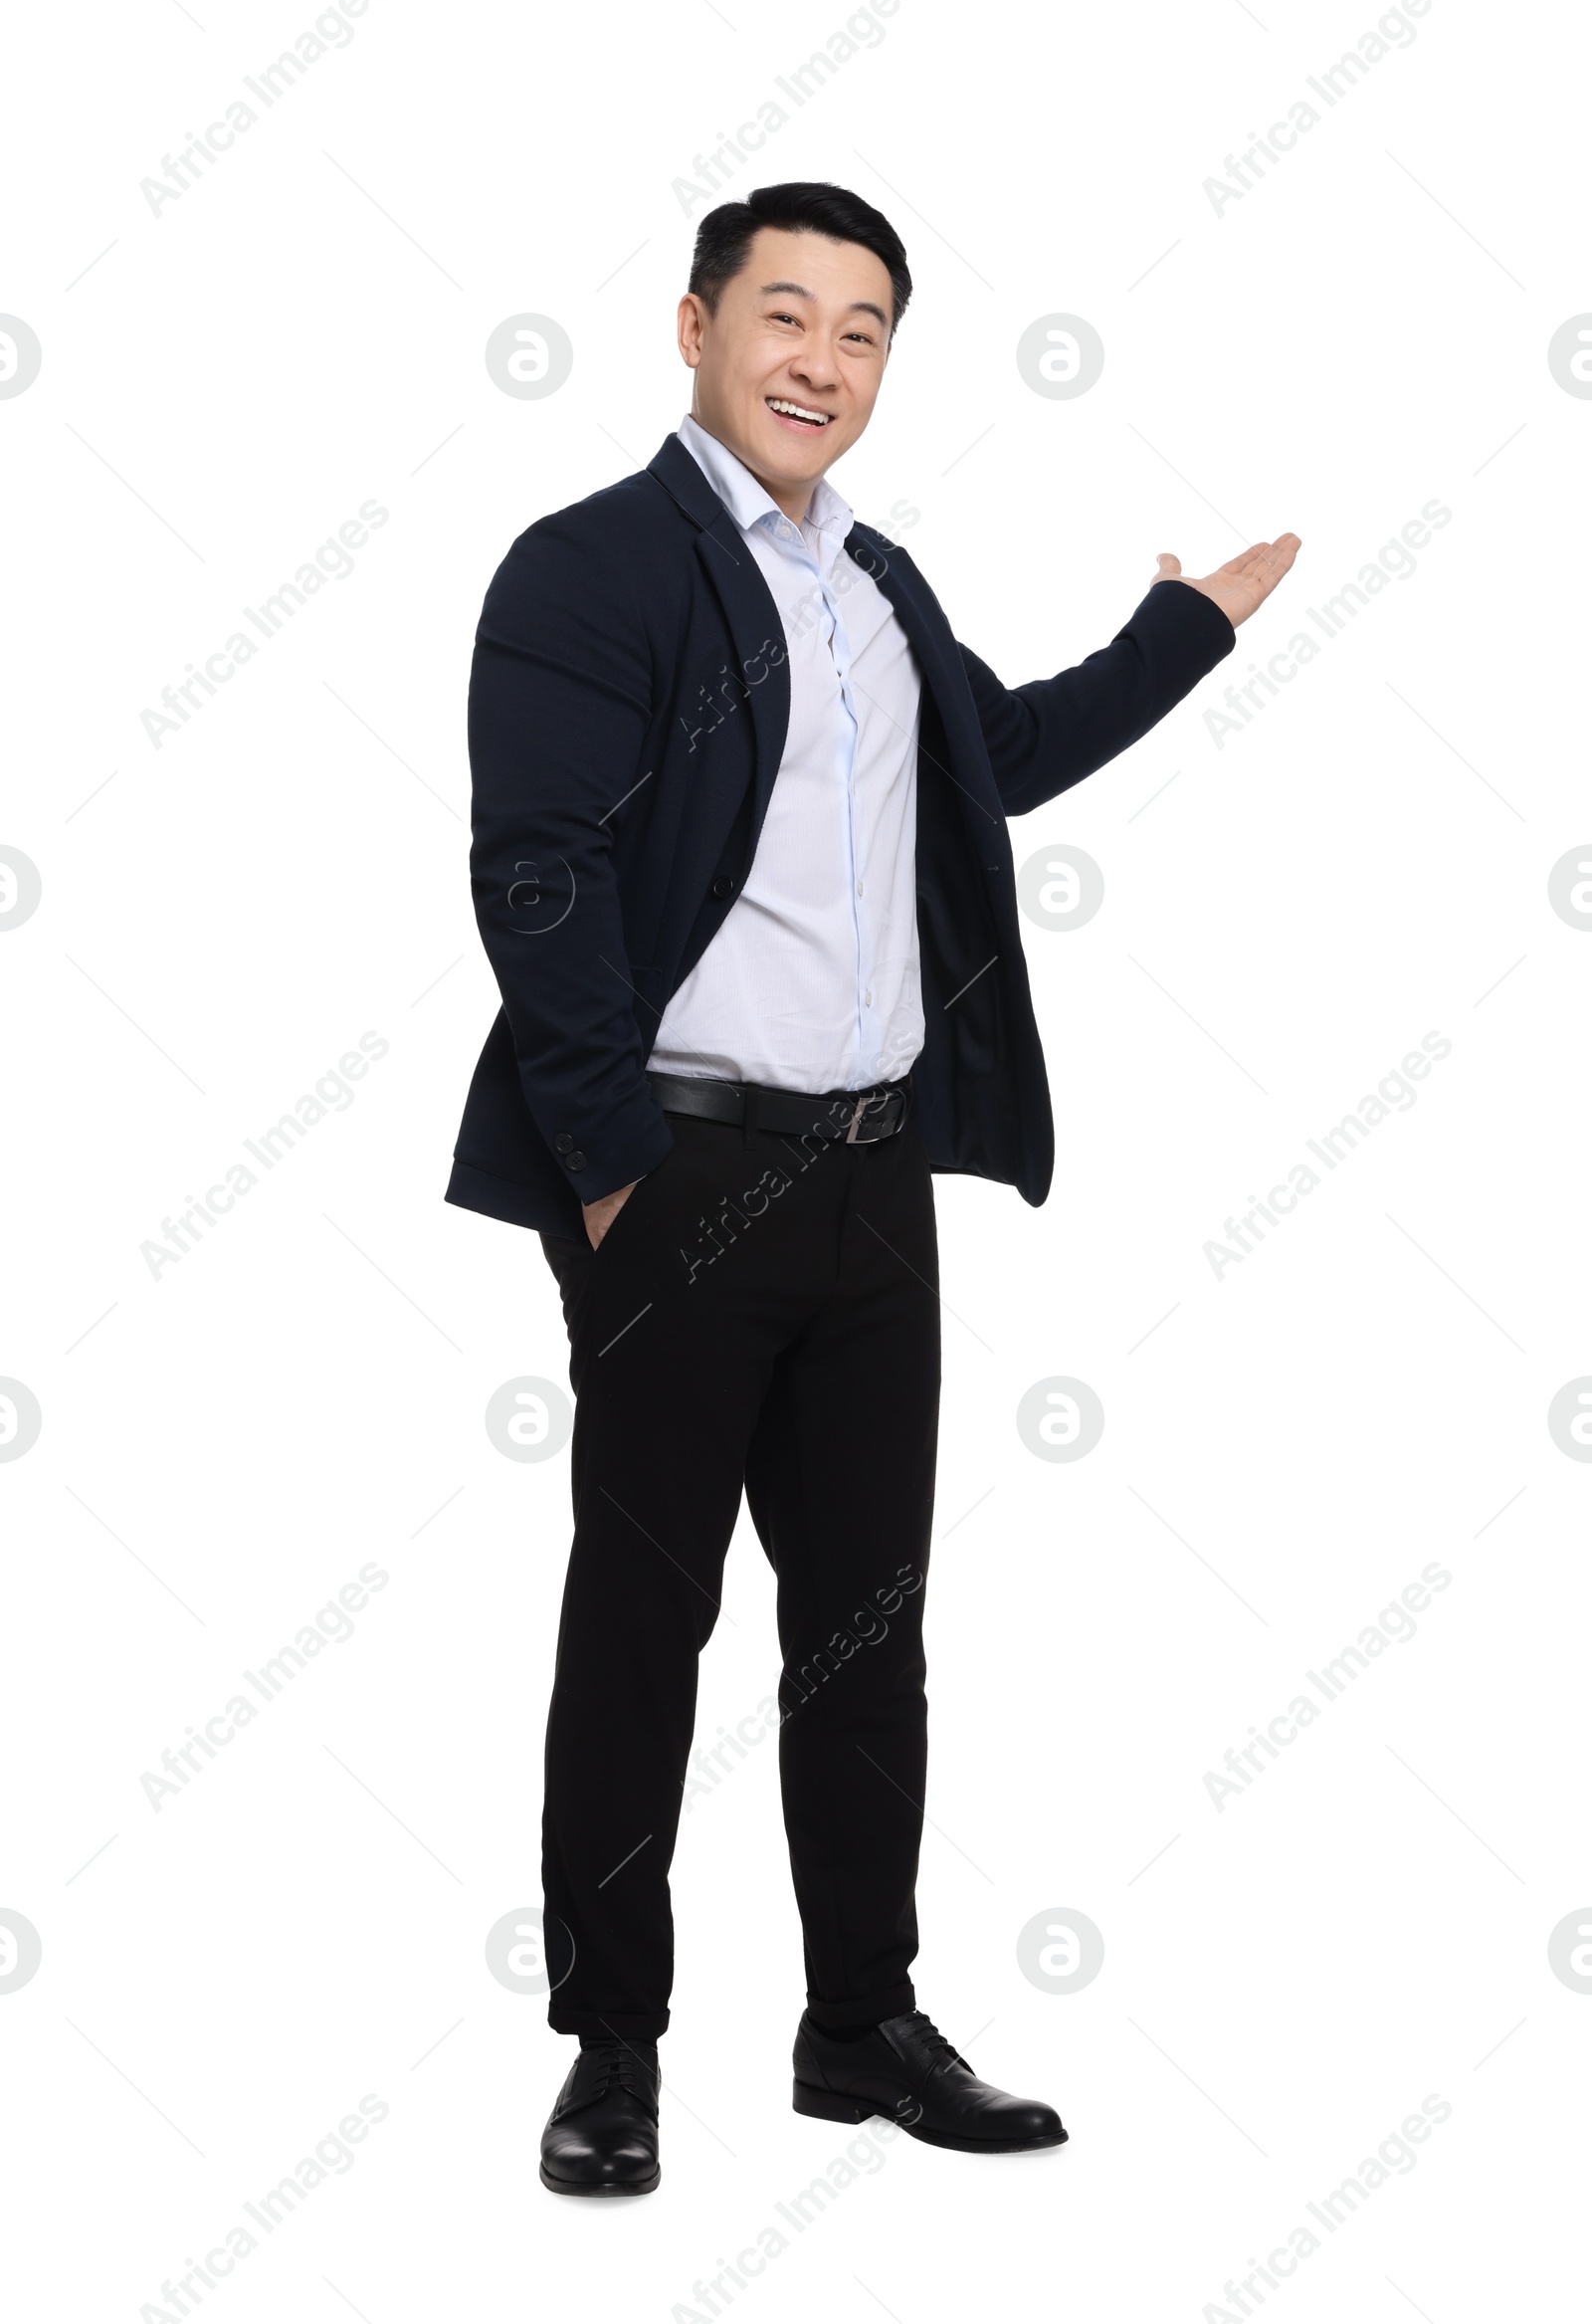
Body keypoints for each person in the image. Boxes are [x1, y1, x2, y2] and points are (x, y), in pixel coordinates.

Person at [446, 180, 1299, 2197]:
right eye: (784, 315)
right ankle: (614, 2046)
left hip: (865, 1180)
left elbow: (987, 753)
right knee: (638, 1627)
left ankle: (857, 2019)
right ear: (692, 325)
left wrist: (1183, 631)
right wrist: (604, 1179)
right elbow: (537, 872)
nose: (820, 361)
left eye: (863, 330)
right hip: (677, 1171)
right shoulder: (591, 567)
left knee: (862, 1632)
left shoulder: (871, 579)